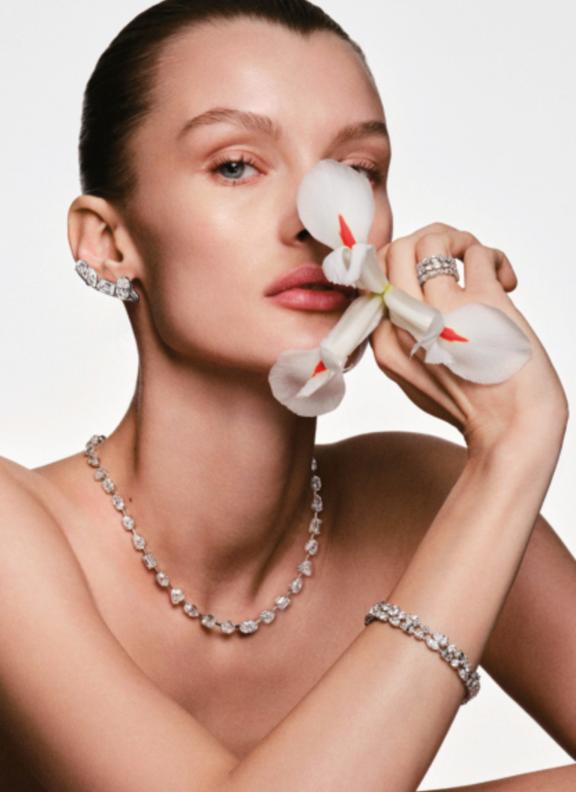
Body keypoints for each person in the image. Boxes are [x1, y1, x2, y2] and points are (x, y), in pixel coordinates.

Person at [0, 1, 574, 790]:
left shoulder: (420, 499)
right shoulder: (13, 535)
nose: (319, 222)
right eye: (237, 165)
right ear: (110, 241)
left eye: (358, 172)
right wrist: (507, 463)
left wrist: (517, 436)